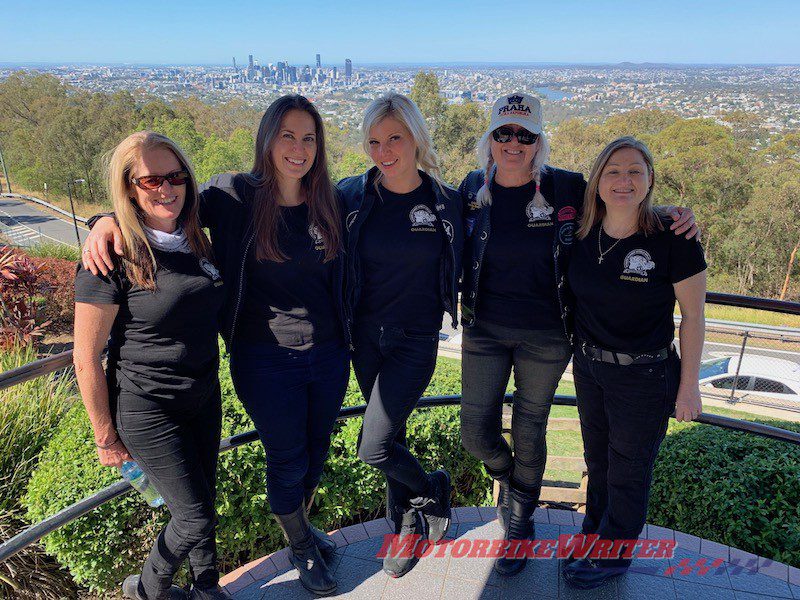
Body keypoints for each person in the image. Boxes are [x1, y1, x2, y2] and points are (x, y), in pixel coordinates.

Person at [80, 95, 349, 597]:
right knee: (287, 459)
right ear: (267, 139)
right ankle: (300, 546)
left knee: (315, 456)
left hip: (329, 355)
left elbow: (167, 199)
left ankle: (271, 547)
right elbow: (159, 204)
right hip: (265, 358)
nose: (298, 147)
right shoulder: (234, 196)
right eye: (286, 135)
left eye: (309, 137)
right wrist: (103, 220)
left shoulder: (330, 200)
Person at [458, 93, 699, 576]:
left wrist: (673, 213)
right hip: (506, 335)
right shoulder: (472, 190)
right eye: (504, 132)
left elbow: (622, 198)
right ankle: (532, 495)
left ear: (539, 142)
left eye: (525, 135)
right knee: (477, 430)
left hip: (558, 340)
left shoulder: (567, 189)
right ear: (489, 140)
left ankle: (526, 523)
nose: (514, 142)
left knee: (543, 431)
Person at [73, 131, 228, 600]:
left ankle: (207, 587)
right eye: (151, 180)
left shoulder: (196, 238)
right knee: (193, 515)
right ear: (128, 188)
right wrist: (105, 436)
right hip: (147, 407)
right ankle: (148, 590)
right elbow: (85, 358)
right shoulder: (111, 255)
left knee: (204, 498)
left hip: (202, 394)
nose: (166, 188)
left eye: (175, 176)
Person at [562, 136, 706, 589]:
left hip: (644, 374)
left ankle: (614, 553)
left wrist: (689, 386)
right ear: (598, 180)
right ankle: (593, 534)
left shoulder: (672, 237)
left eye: (634, 171)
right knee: (598, 459)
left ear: (649, 181)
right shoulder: (583, 232)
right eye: (613, 171)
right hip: (589, 368)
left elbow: (695, 316)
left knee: (628, 467)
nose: (623, 181)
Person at [337, 92, 463, 578]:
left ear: (416, 138)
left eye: (395, 138)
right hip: (365, 338)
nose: (384, 151)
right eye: (374, 142)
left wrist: (657, 215)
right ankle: (406, 523)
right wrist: (112, 219)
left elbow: (515, 210)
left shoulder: (446, 201)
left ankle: (430, 489)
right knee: (393, 435)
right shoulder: (351, 194)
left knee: (374, 446)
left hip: (415, 340)